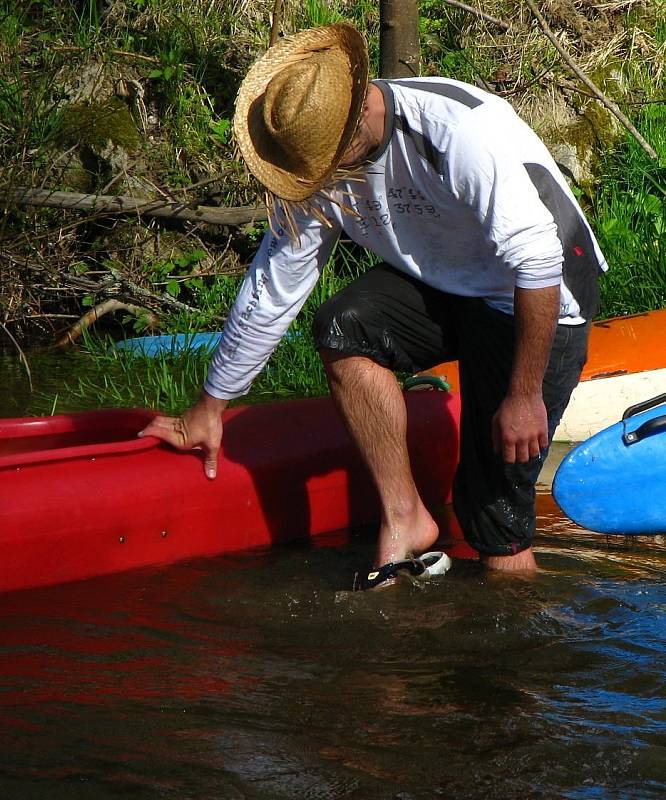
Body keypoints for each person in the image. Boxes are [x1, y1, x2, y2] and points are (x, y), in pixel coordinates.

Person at [140, 23, 606, 584]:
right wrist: (211, 406)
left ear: (361, 108)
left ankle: (513, 645)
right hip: (446, 278)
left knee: (494, 519)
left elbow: (537, 261)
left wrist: (524, 395)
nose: (323, 178)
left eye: (330, 160)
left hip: (537, 296)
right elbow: (276, 284)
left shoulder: (459, 133)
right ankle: (406, 518)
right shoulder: (315, 161)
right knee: (343, 329)